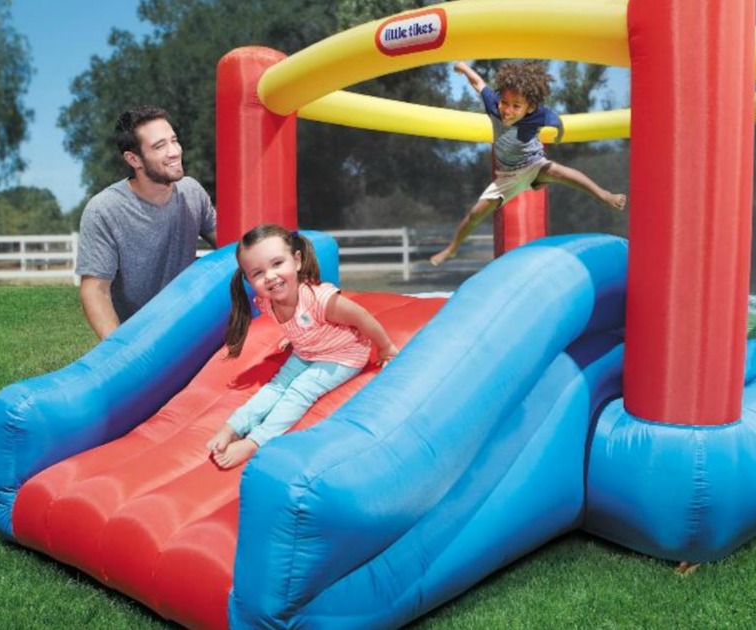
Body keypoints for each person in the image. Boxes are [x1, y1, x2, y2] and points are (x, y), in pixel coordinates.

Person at [205, 224, 400, 469]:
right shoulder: (266, 301)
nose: (270, 276)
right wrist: (299, 337)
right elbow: (300, 323)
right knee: (274, 387)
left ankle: (256, 441)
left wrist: (386, 348)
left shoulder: (320, 299)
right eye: (258, 273)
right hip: (307, 351)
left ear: (296, 261)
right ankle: (233, 427)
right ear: (248, 279)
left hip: (343, 355)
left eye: (277, 264)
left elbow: (361, 316)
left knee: (299, 390)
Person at [430, 61, 627, 267]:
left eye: (516, 106)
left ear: (529, 107)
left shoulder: (539, 115)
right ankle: (452, 248)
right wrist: (464, 68)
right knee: (474, 215)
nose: (507, 110)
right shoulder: (493, 105)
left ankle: (604, 195)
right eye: (504, 102)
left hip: (532, 164)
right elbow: (478, 83)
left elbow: (557, 122)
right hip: (507, 176)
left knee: (560, 172)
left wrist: (559, 135)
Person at [76, 105, 218, 339]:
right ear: (134, 159)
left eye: (174, 140)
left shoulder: (192, 191)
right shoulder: (104, 210)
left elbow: (231, 247)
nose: (174, 151)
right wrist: (119, 352)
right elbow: (95, 291)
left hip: (194, 324)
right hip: (142, 339)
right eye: (159, 146)